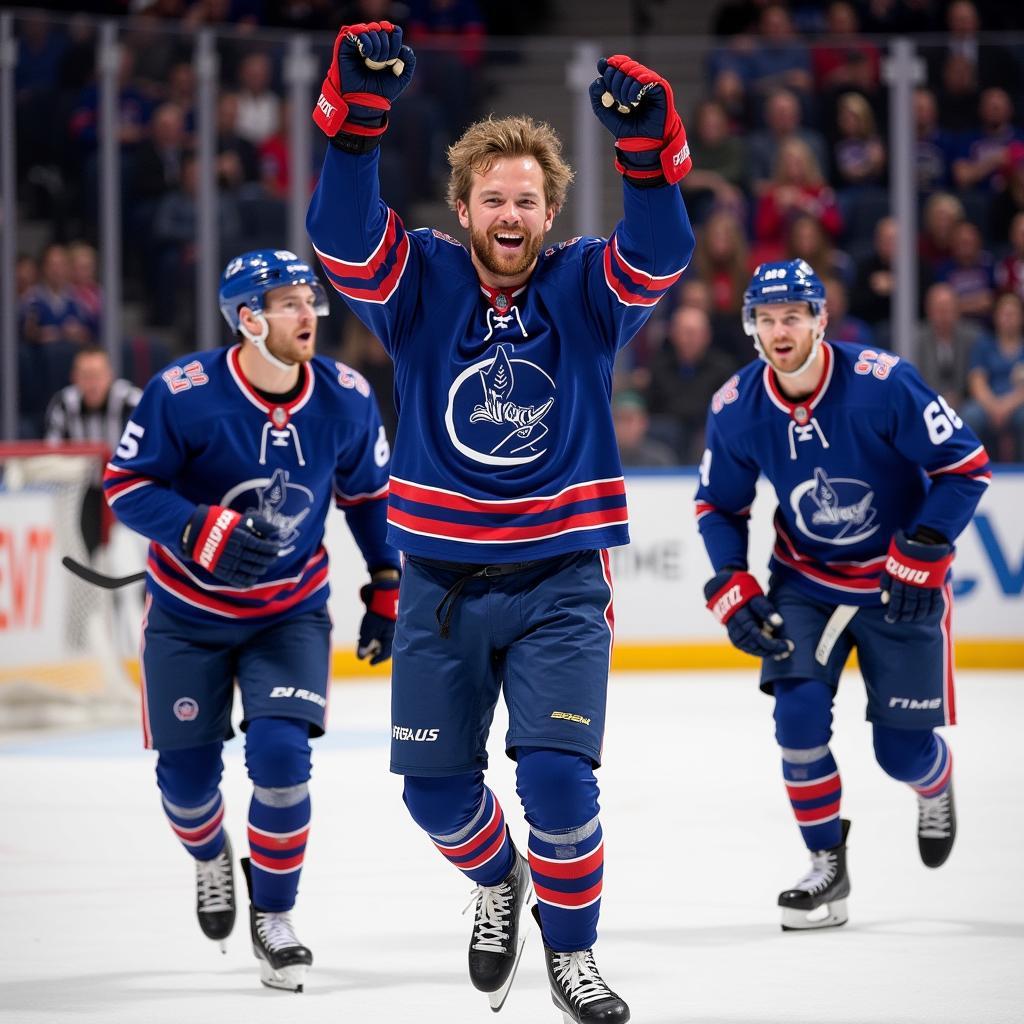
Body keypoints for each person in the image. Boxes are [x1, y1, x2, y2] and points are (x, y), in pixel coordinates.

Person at [306, 22, 694, 1023]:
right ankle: (499, 878)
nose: (509, 211)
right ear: (464, 208)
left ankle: (574, 956)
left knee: (559, 782)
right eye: (493, 198)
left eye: (527, 198)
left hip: (559, 580)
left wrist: (647, 153)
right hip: (437, 583)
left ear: (550, 211)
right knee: (433, 797)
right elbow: (343, 237)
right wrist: (355, 128)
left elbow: (662, 247)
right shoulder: (421, 282)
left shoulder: (582, 290)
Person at [101, 250, 401, 992]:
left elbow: (368, 498)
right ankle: (210, 858)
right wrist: (198, 528)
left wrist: (387, 580)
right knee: (187, 783)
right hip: (187, 616)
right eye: (292, 303)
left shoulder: (348, 395)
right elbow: (125, 485)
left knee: (279, 758)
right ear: (248, 318)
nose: (310, 316)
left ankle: (275, 917)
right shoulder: (184, 392)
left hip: (289, 613)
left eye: (312, 301)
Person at [694, 258, 990, 932]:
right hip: (806, 583)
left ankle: (934, 783)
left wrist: (925, 547)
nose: (780, 331)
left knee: (901, 753)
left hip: (898, 585)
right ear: (751, 327)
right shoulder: (736, 407)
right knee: (796, 720)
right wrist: (731, 583)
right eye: (767, 319)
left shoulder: (884, 385)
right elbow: (718, 505)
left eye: (793, 317)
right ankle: (827, 867)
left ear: (821, 321)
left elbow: (964, 467)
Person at [44, 346, 142, 554]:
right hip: (83, 492)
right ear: (75, 378)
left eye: (97, 375)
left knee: (127, 551)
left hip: (130, 488)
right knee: (82, 549)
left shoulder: (131, 401)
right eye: (86, 376)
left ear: (110, 375)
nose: (93, 384)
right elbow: (52, 455)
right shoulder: (64, 405)